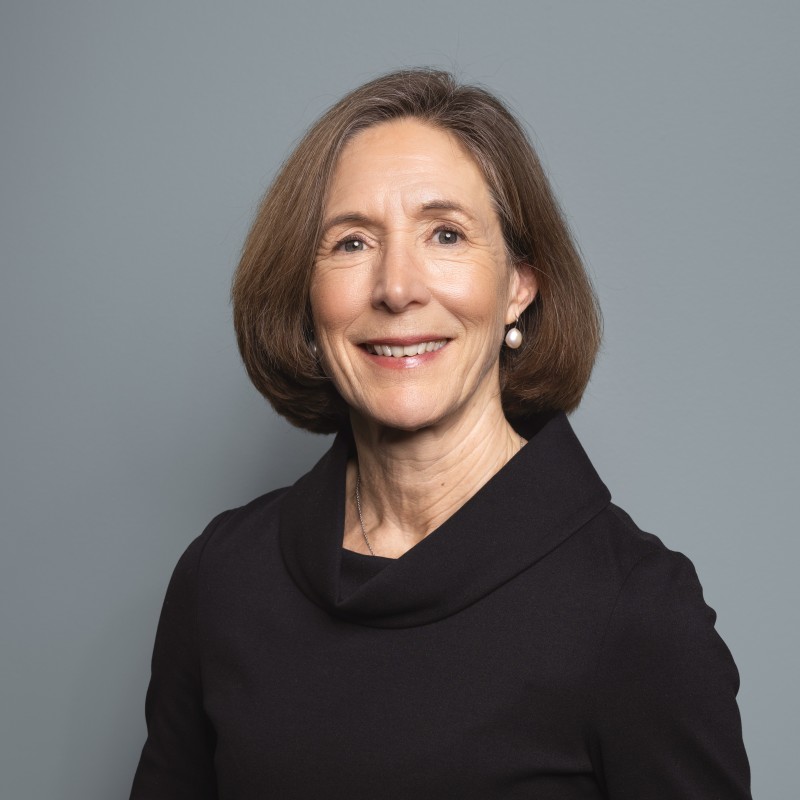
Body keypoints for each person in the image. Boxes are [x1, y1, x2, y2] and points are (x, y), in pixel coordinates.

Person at [129, 69, 751, 799]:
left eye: (446, 234)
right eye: (352, 242)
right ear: (306, 293)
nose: (397, 288)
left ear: (519, 284)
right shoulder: (223, 578)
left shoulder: (636, 610)